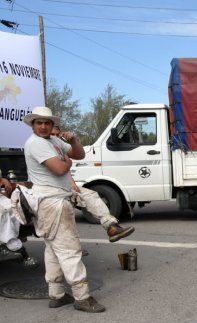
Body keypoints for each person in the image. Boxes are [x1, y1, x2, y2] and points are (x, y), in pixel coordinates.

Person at [22, 107, 120, 312]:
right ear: (32, 125)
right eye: (39, 123)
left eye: (47, 123)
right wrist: (67, 161)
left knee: (53, 249)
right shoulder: (36, 143)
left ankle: (56, 294)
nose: (43, 126)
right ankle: (82, 297)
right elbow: (60, 169)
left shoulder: (52, 140)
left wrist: (74, 141)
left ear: (52, 125)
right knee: (69, 250)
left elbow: (79, 154)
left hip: (52, 201)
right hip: (52, 202)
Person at [49, 125, 135, 241]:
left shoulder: (59, 147)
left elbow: (78, 157)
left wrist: (72, 182)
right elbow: (61, 168)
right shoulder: (43, 147)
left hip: (63, 188)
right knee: (60, 230)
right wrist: (68, 163)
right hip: (51, 193)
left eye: (57, 135)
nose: (55, 137)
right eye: (52, 135)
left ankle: (112, 227)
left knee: (90, 195)